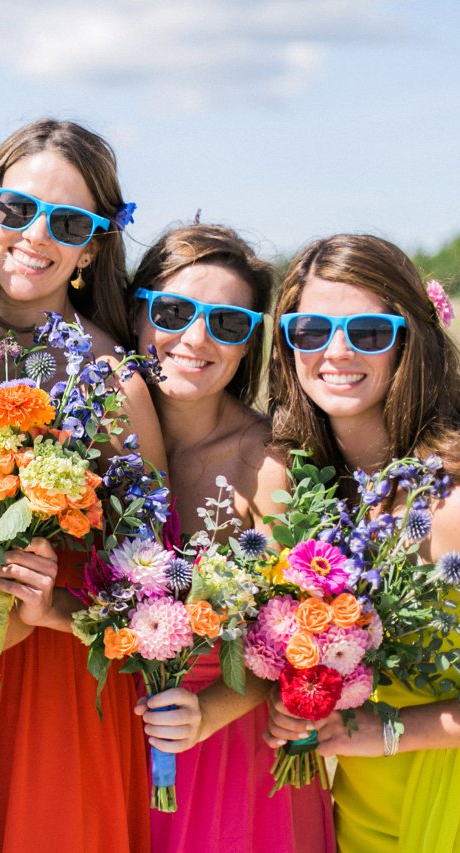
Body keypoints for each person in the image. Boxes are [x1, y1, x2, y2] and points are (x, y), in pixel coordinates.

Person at [0, 118, 167, 853]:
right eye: (16, 209)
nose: (35, 234)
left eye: (67, 221)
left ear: (93, 245)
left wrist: (53, 606)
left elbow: (153, 588)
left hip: (55, 689)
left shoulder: (114, 381)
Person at [264, 234, 460, 851]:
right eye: (311, 329)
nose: (337, 350)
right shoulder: (314, 492)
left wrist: (393, 730)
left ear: (410, 341)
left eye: (369, 332)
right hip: (360, 813)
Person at [124, 225, 334, 852]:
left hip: (227, 747)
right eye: (173, 311)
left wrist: (208, 711)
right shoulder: (98, 435)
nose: (195, 338)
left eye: (228, 322)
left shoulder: (266, 463)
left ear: (250, 344)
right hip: (108, 730)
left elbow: (304, 637)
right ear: (139, 315)